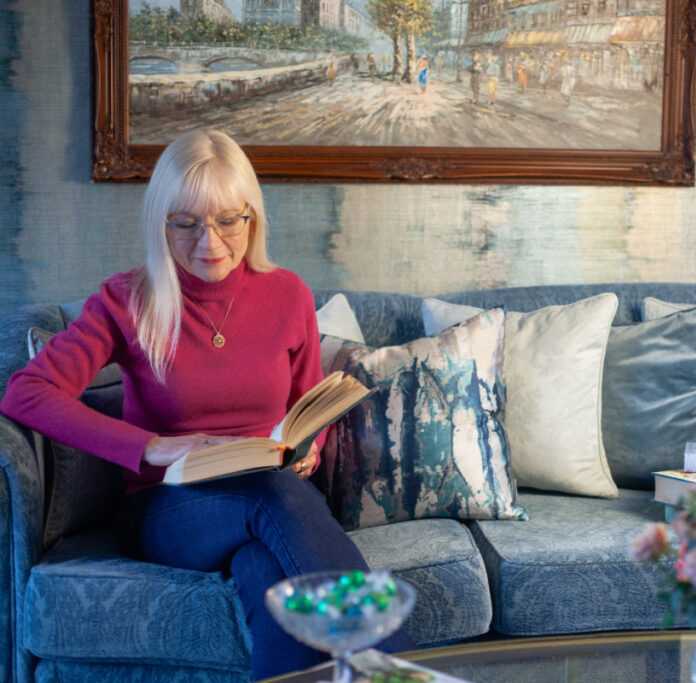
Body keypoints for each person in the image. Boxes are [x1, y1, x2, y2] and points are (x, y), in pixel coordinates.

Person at [0, 129, 414, 680]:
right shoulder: (127, 300)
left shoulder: (288, 294)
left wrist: (307, 446)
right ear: (161, 223)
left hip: (273, 505)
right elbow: (25, 393)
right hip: (167, 509)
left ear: (252, 218)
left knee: (269, 573)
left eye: (227, 220)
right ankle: (399, 671)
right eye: (187, 223)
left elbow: (307, 402)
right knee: (272, 495)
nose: (210, 242)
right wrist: (151, 447)